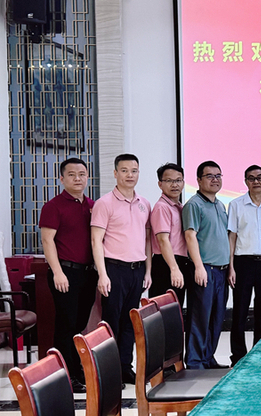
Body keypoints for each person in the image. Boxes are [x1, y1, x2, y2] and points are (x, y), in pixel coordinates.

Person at [90, 153, 151, 384]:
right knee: (111, 322)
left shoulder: (144, 203)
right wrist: (102, 274)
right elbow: (96, 240)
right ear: (115, 173)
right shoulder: (104, 203)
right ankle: (110, 370)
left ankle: (125, 366)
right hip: (114, 270)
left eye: (134, 171)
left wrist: (147, 271)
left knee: (130, 322)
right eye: (124, 170)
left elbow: (147, 239)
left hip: (137, 270)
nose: (129, 175)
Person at [39, 158, 97, 393]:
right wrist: (58, 272)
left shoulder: (92, 205)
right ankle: (65, 374)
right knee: (66, 325)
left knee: (79, 325)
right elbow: (47, 241)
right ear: (61, 179)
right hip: (65, 273)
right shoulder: (53, 206)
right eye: (72, 175)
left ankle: (76, 370)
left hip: (88, 274)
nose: (77, 179)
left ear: (87, 177)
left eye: (82, 174)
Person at [227, 164, 261, 366]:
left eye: (259, 177)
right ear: (245, 181)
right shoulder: (236, 205)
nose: (256, 181)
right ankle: (238, 356)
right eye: (251, 178)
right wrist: (231, 266)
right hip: (243, 263)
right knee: (240, 310)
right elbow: (232, 237)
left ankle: (259, 353)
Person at [183, 160, 229, 370]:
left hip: (221, 270)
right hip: (205, 269)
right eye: (209, 176)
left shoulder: (219, 204)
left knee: (216, 318)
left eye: (218, 176)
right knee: (200, 318)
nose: (215, 180)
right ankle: (194, 363)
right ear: (199, 180)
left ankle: (208, 358)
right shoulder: (194, 204)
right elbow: (190, 236)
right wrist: (199, 267)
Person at [149, 163, 191, 307]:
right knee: (163, 312)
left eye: (178, 180)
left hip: (179, 263)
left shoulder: (180, 207)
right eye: (169, 181)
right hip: (166, 265)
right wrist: (174, 268)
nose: (175, 185)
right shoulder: (162, 207)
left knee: (175, 310)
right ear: (160, 184)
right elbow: (163, 240)